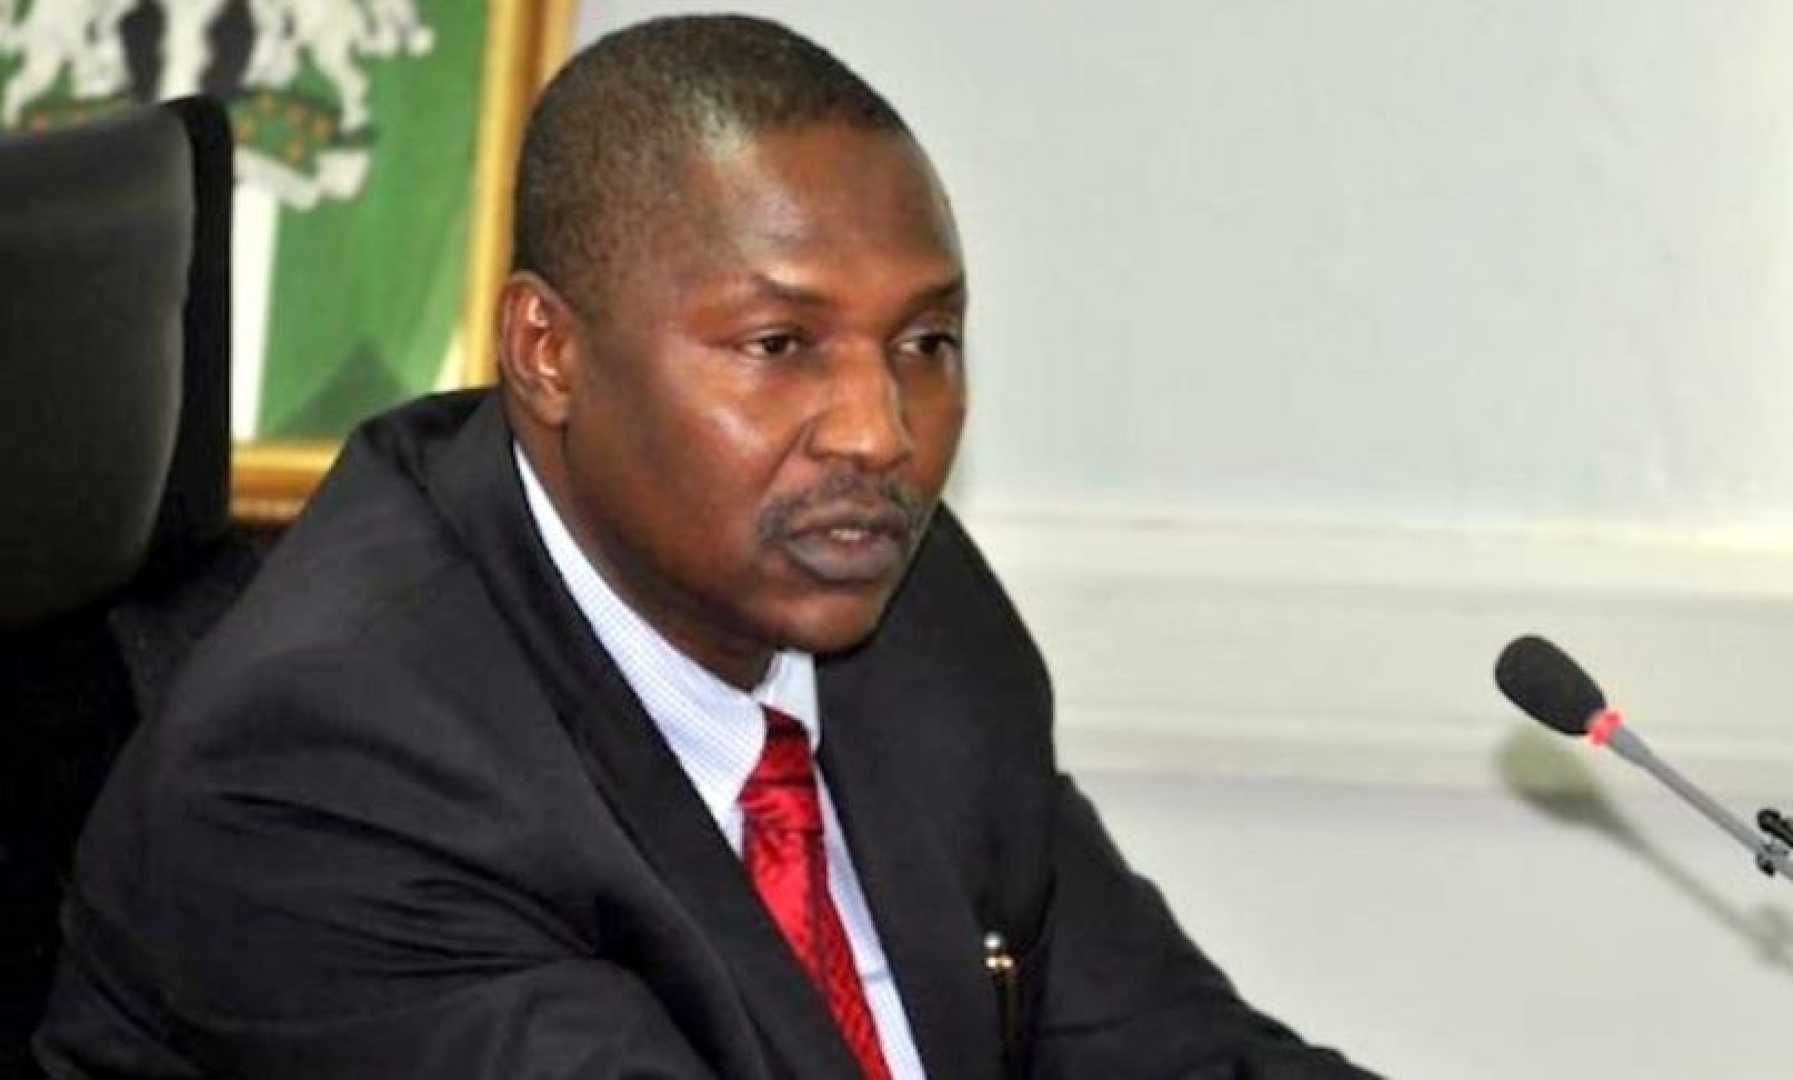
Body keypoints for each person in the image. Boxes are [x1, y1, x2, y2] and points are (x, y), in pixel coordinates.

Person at [36, 15, 1378, 1079]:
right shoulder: (329, 772)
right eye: (778, 345)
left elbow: (1175, 1052)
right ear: (547, 352)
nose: (881, 433)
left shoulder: (903, 605)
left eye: (925, 342)